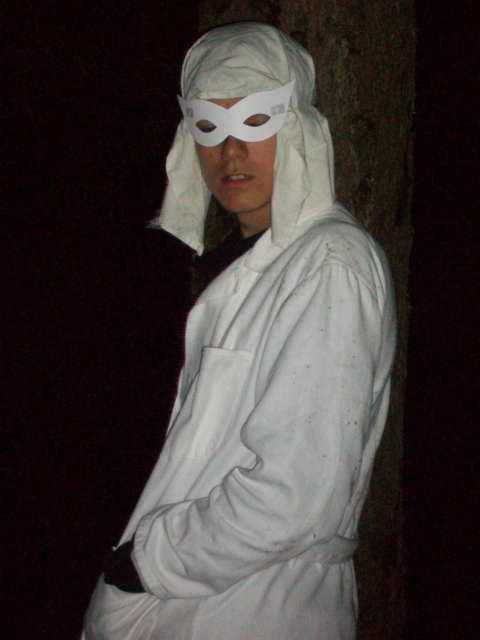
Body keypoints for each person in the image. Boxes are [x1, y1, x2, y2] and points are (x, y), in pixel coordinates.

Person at [83, 22, 396, 640]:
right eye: (209, 125)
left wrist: (147, 563)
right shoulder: (261, 263)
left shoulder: (329, 264)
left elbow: (294, 494)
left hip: (262, 607)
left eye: (255, 121)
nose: (230, 151)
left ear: (296, 126)